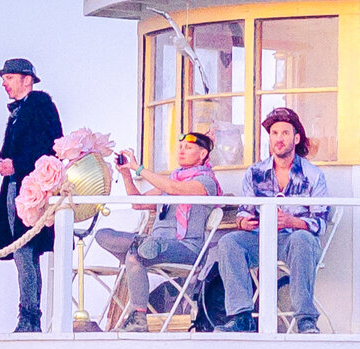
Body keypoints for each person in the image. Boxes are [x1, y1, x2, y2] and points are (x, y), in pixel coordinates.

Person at [215, 107, 332, 332]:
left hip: (295, 243)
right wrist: (243, 222)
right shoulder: (255, 172)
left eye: (285, 133)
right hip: (261, 240)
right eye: (275, 133)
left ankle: (306, 319)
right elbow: (244, 210)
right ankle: (241, 317)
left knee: (302, 239)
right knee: (229, 242)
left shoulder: (313, 174)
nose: (279, 138)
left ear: (296, 138)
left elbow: (320, 223)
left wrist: (291, 221)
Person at [95, 132, 223, 329]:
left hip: (185, 248)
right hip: (154, 243)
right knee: (103, 235)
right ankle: (141, 248)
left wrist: (139, 168)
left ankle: (138, 317)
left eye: (188, 147)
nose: (181, 150)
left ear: (203, 153)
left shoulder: (206, 182)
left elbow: (174, 188)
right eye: (180, 146)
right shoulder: (173, 179)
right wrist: (126, 174)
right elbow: (138, 204)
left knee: (140, 251)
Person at [0, 57, 64, 334]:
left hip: (30, 189)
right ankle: (28, 318)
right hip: (17, 189)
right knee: (23, 253)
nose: (4, 83)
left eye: (8, 77)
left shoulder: (39, 105)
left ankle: (29, 319)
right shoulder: (20, 111)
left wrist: (16, 165)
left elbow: (51, 146)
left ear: (26, 79)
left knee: (25, 252)